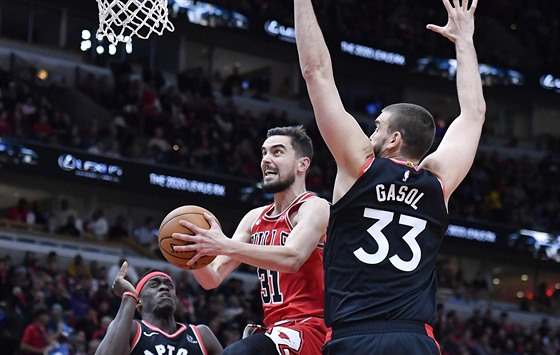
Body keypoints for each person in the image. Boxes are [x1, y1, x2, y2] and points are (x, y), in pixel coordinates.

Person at [294, 0, 486, 354]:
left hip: (356, 336)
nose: (370, 134)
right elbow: (474, 114)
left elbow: (315, 71)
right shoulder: (438, 182)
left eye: (377, 127)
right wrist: (465, 41)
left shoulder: (360, 165)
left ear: (394, 140)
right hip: (415, 339)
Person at [172, 125, 330, 354]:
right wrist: (194, 253)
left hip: (313, 328)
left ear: (302, 164)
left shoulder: (314, 207)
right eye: (264, 153)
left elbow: (292, 258)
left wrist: (223, 244)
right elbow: (212, 278)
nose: (266, 159)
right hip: (276, 330)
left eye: (277, 152)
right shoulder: (253, 218)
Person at [95, 262, 223, 355]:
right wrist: (129, 297)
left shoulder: (201, 335)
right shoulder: (132, 330)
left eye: (169, 285)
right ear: (139, 301)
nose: (164, 287)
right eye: (154, 284)